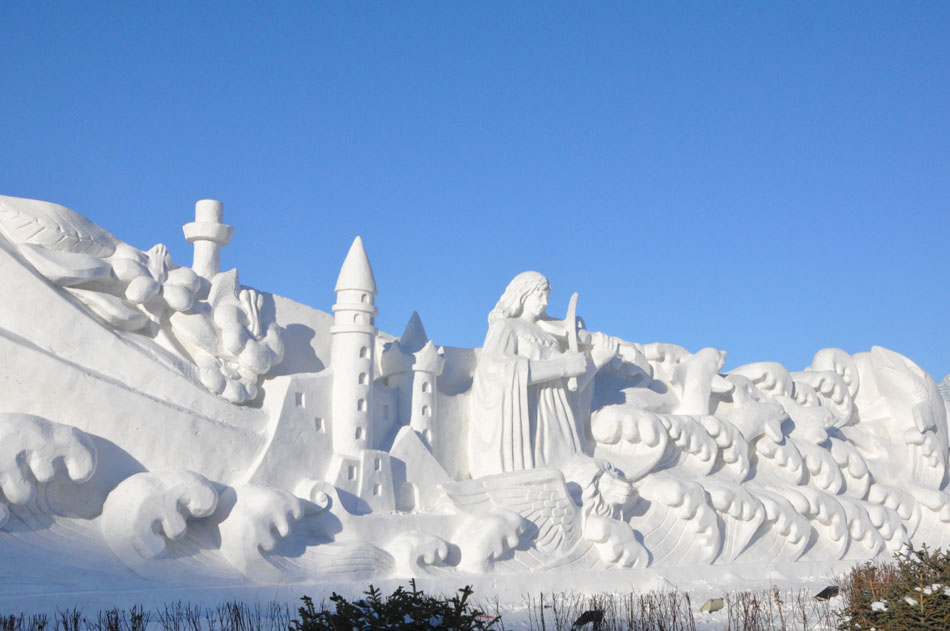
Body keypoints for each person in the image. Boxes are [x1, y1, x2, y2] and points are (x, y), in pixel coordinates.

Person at [468, 271, 618, 478]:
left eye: (547, 296)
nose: (544, 302)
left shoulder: (548, 334)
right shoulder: (507, 327)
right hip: (530, 427)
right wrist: (563, 366)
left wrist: (598, 359)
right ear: (522, 295)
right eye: (539, 295)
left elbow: (568, 391)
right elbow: (493, 369)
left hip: (558, 426)